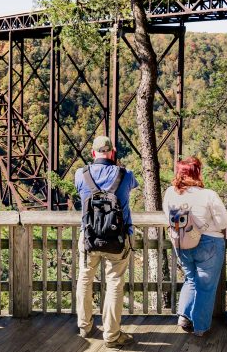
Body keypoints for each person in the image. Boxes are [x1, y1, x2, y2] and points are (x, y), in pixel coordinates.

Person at [75, 135, 139, 349]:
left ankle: (85, 326)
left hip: (89, 238)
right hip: (118, 238)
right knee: (114, 283)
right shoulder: (125, 175)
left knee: (85, 278)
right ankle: (112, 335)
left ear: (93, 153)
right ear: (112, 153)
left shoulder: (80, 174)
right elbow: (133, 186)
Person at [163, 156, 227, 337]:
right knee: (206, 286)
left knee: (191, 279)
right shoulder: (208, 194)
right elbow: (223, 222)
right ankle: (200, 327)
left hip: (181, 241)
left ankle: (184, 316)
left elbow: (167, 216)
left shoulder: (170, 193)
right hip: (208, 243)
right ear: (197, 172)